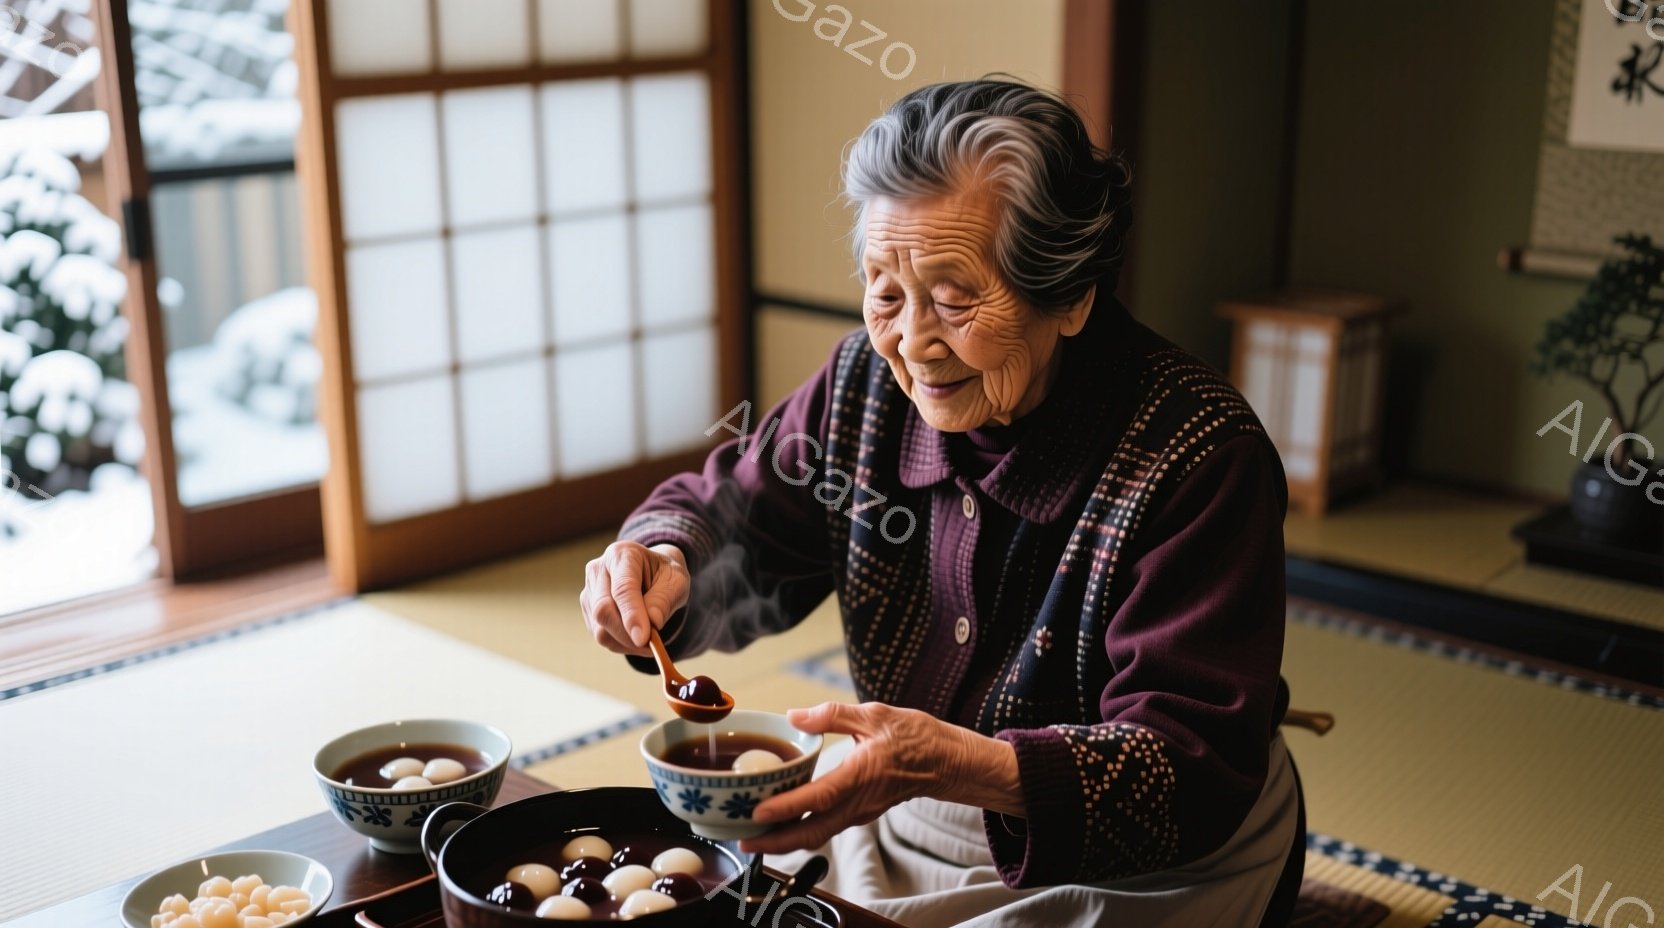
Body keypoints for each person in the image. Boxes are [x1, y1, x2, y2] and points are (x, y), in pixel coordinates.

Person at [578, 78, 1299, 928]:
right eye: (885, 292)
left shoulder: (1197, 455)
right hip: (897, 805)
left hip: (1138, 859)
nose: (912, 343)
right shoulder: (862, 385)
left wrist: (960, 766)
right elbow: (739, 518)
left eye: (956, 300)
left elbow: (1190, 767)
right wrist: (665, 563)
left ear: (1070, 297)